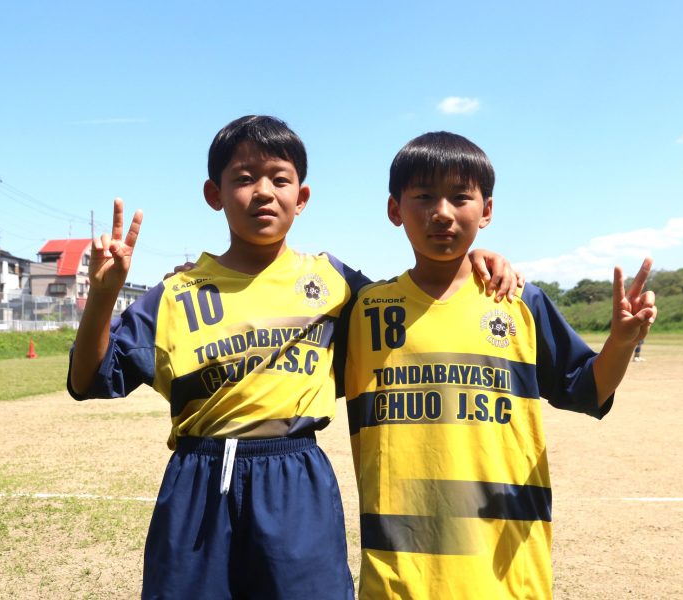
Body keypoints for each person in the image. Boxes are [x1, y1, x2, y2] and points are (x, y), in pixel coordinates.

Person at [67, 116, 520, 599]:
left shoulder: (333, 281)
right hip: (198, 481)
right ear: (214, 194)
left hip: (295, 478)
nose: (263, 192)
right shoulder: (178, 293)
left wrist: (471, 261)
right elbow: (88, 380)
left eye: (280, 179)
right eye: (244, 178)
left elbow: (412, 302)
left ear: (301, 198)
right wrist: (103, 296)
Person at [344, 131, 657, 599]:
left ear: (486, 210)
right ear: (395, 209)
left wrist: (620, 343)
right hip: (400, 567)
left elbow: (587, 388)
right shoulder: (364, 309)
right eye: (424, 196)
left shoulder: (519, 301)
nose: (442, 212)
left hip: (505, 565)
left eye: (460, 197)